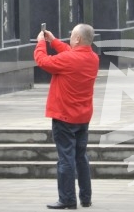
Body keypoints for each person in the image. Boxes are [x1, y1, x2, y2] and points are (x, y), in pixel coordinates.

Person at [35, 23, 99, 209]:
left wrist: (41, 43)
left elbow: (42, 61)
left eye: (72, 35)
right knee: (81, 157)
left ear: (77, 39)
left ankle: (67, 199)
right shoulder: (93, 58)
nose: (70, 38)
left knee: (66, 159)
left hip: (64, 117)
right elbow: (71, 53)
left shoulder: (69, 59)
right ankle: (85, 198)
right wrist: (54, 41)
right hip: (83, 117)